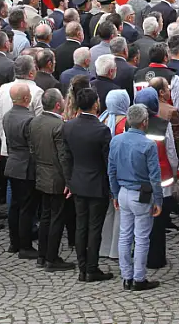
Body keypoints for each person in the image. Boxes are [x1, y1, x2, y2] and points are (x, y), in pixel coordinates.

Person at [108, 104, 163, 291]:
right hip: (141, 194)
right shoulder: (148, 145)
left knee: (124, 236)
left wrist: (115, 193)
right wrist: (159, 200)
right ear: (144, 122)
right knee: (141, 238)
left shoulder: (116, 141)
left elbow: (111, 171)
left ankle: (126, 276)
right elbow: (155, 177)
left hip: (123, 192)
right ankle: (139, 278)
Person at [62, 86, 114, 282]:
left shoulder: (69, 126)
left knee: (81, 226)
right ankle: (91, 267)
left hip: (77, 182)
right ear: (95, 105)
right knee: (94, 228)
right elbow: (108, 161)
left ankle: (83, 266)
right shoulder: (102, 130)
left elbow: (66, 158)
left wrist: (69, 181)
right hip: (97, 184)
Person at [30, 89, 73, 271]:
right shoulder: (59, 126)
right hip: (56, 178)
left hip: (41, 173)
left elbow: (32, 149)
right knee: (56, 218)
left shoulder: (35, 121)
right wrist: (69, 181)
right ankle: (52, 258)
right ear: (57, 105)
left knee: (46, 216)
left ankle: (42, 255)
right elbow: (63, 156)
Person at [3, 82, 39, 258]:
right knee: (26, 207)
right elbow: (33, 146)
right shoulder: (29, 119)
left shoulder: (7, 116)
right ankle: (25, 246)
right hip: (26, 167)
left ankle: (14, 242)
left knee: (15, 206)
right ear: (26, 98)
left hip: (12, 164)